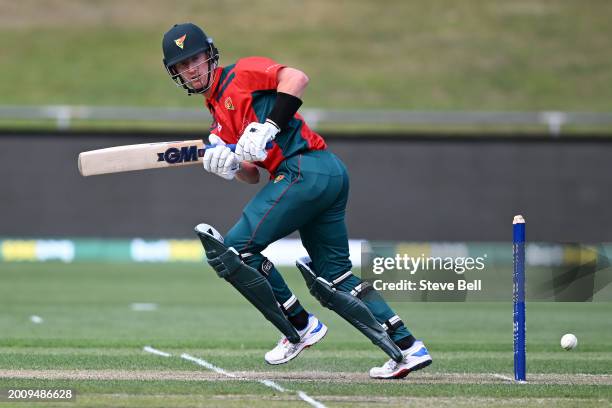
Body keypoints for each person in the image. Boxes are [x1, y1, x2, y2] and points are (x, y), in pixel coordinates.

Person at [161, 22, 432, 379]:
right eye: (181, 65)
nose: (190, 69)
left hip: (304, 169)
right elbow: (251, 174)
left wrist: (270, 125)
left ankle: (300, 325)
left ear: (210, 54)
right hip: (323, 174)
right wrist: (229, 166)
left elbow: (297, 78)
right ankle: (408, 347)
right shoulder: (217, 120)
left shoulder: (242, 73)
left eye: (194, 58)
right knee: (334, 275)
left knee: (235, 250)